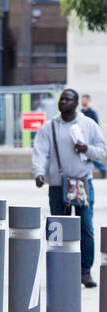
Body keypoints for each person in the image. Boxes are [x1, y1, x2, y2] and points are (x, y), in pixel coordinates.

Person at [32, 88, 102, 288]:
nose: (63, 102)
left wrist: (86, 149)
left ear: (76, 103)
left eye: (68, 99)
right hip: (57, 185)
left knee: (86, 227)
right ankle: (59, 271)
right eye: (61, 99)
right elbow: (40, 153)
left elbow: (102, 151)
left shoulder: (88, 125)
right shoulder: (50, 127)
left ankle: (85, 271)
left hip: (82, 184)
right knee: (57, 230)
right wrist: (39, 173)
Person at [80, 94, 107, 178]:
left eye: (84, 100)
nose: (82, 101)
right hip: (83, 139)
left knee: (91, 157)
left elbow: (96, 127)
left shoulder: (92, 113)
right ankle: (103, 169)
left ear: (88, 100)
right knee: (88, 157)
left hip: (91, 140)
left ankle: (104, 169)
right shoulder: (81, 112)